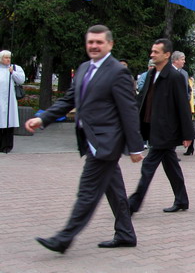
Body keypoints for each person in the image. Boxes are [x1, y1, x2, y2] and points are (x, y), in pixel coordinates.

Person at [26, 25, 144, 253]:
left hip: (105, 143)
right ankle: (126, 233)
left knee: (87, 191)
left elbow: (129, 111)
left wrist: (136, 146)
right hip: (90, 139)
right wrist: (42, 119)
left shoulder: (117, 72)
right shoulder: (83, 69)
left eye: (99, 42)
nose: (94, 46)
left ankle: (64, 238)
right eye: (91, 42)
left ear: (110, 44)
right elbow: (68, 100)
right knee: (115, 189)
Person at [128, 38, 195, 214]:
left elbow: (182, 106)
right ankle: (182, 200)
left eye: (156, 52)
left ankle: (132, 205)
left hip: (165, 131)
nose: (152, 54)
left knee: (148, 166)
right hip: (152, 127)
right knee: (172, 166)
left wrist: (188, 134)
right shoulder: (151, 74)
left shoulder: (174, 77)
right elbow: (142, 100)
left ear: (166, 55)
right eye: (152, 51)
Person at [0, 50, 25, 153]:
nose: (8, 59)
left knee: (8, 122)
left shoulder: (15, 68)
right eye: (6, 57)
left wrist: (13, 72)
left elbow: (21, 80)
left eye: (9, 57)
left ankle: (7, 145)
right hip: (1, 99)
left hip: (10, 100)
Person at [172, 51, 195, 156]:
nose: (184, 61)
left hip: (184, 106)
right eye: (182, 59)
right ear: (175, 60)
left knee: (188, 125)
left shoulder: (184, 73)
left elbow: (188, 90)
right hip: (172, 108)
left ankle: (190, 147)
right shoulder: (168, 72)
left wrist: (185, 99)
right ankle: (171, 151)